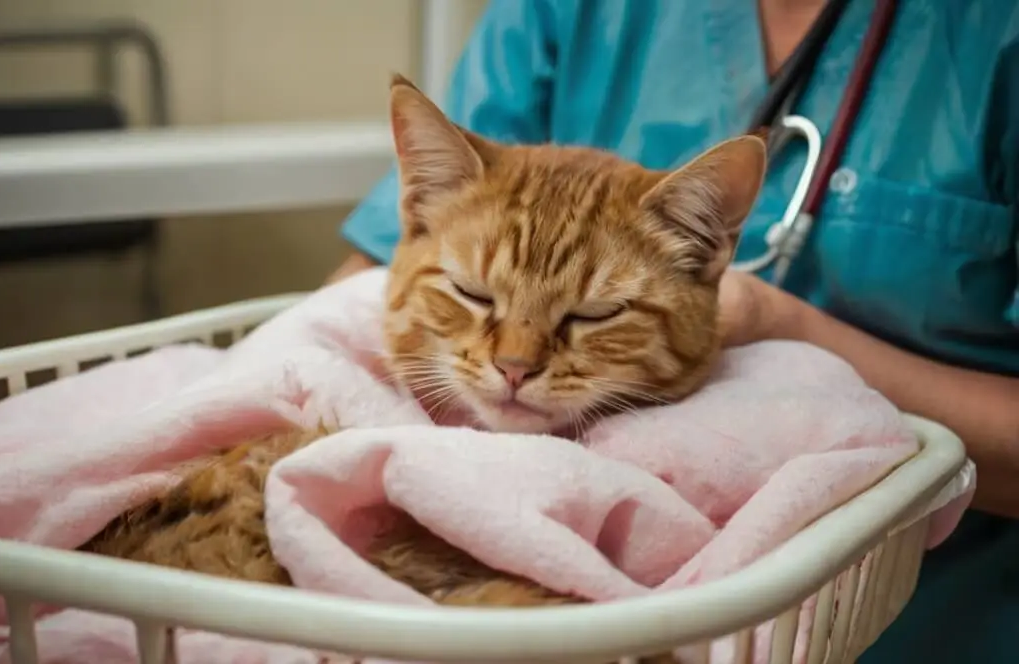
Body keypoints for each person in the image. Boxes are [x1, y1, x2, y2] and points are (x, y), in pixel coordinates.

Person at [327, 0, 1019, 661]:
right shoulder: (563, 11)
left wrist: (783, 327)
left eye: (592, 313)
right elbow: (383, 263)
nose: (517, 360)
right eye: (479, 296)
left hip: (934, 620)